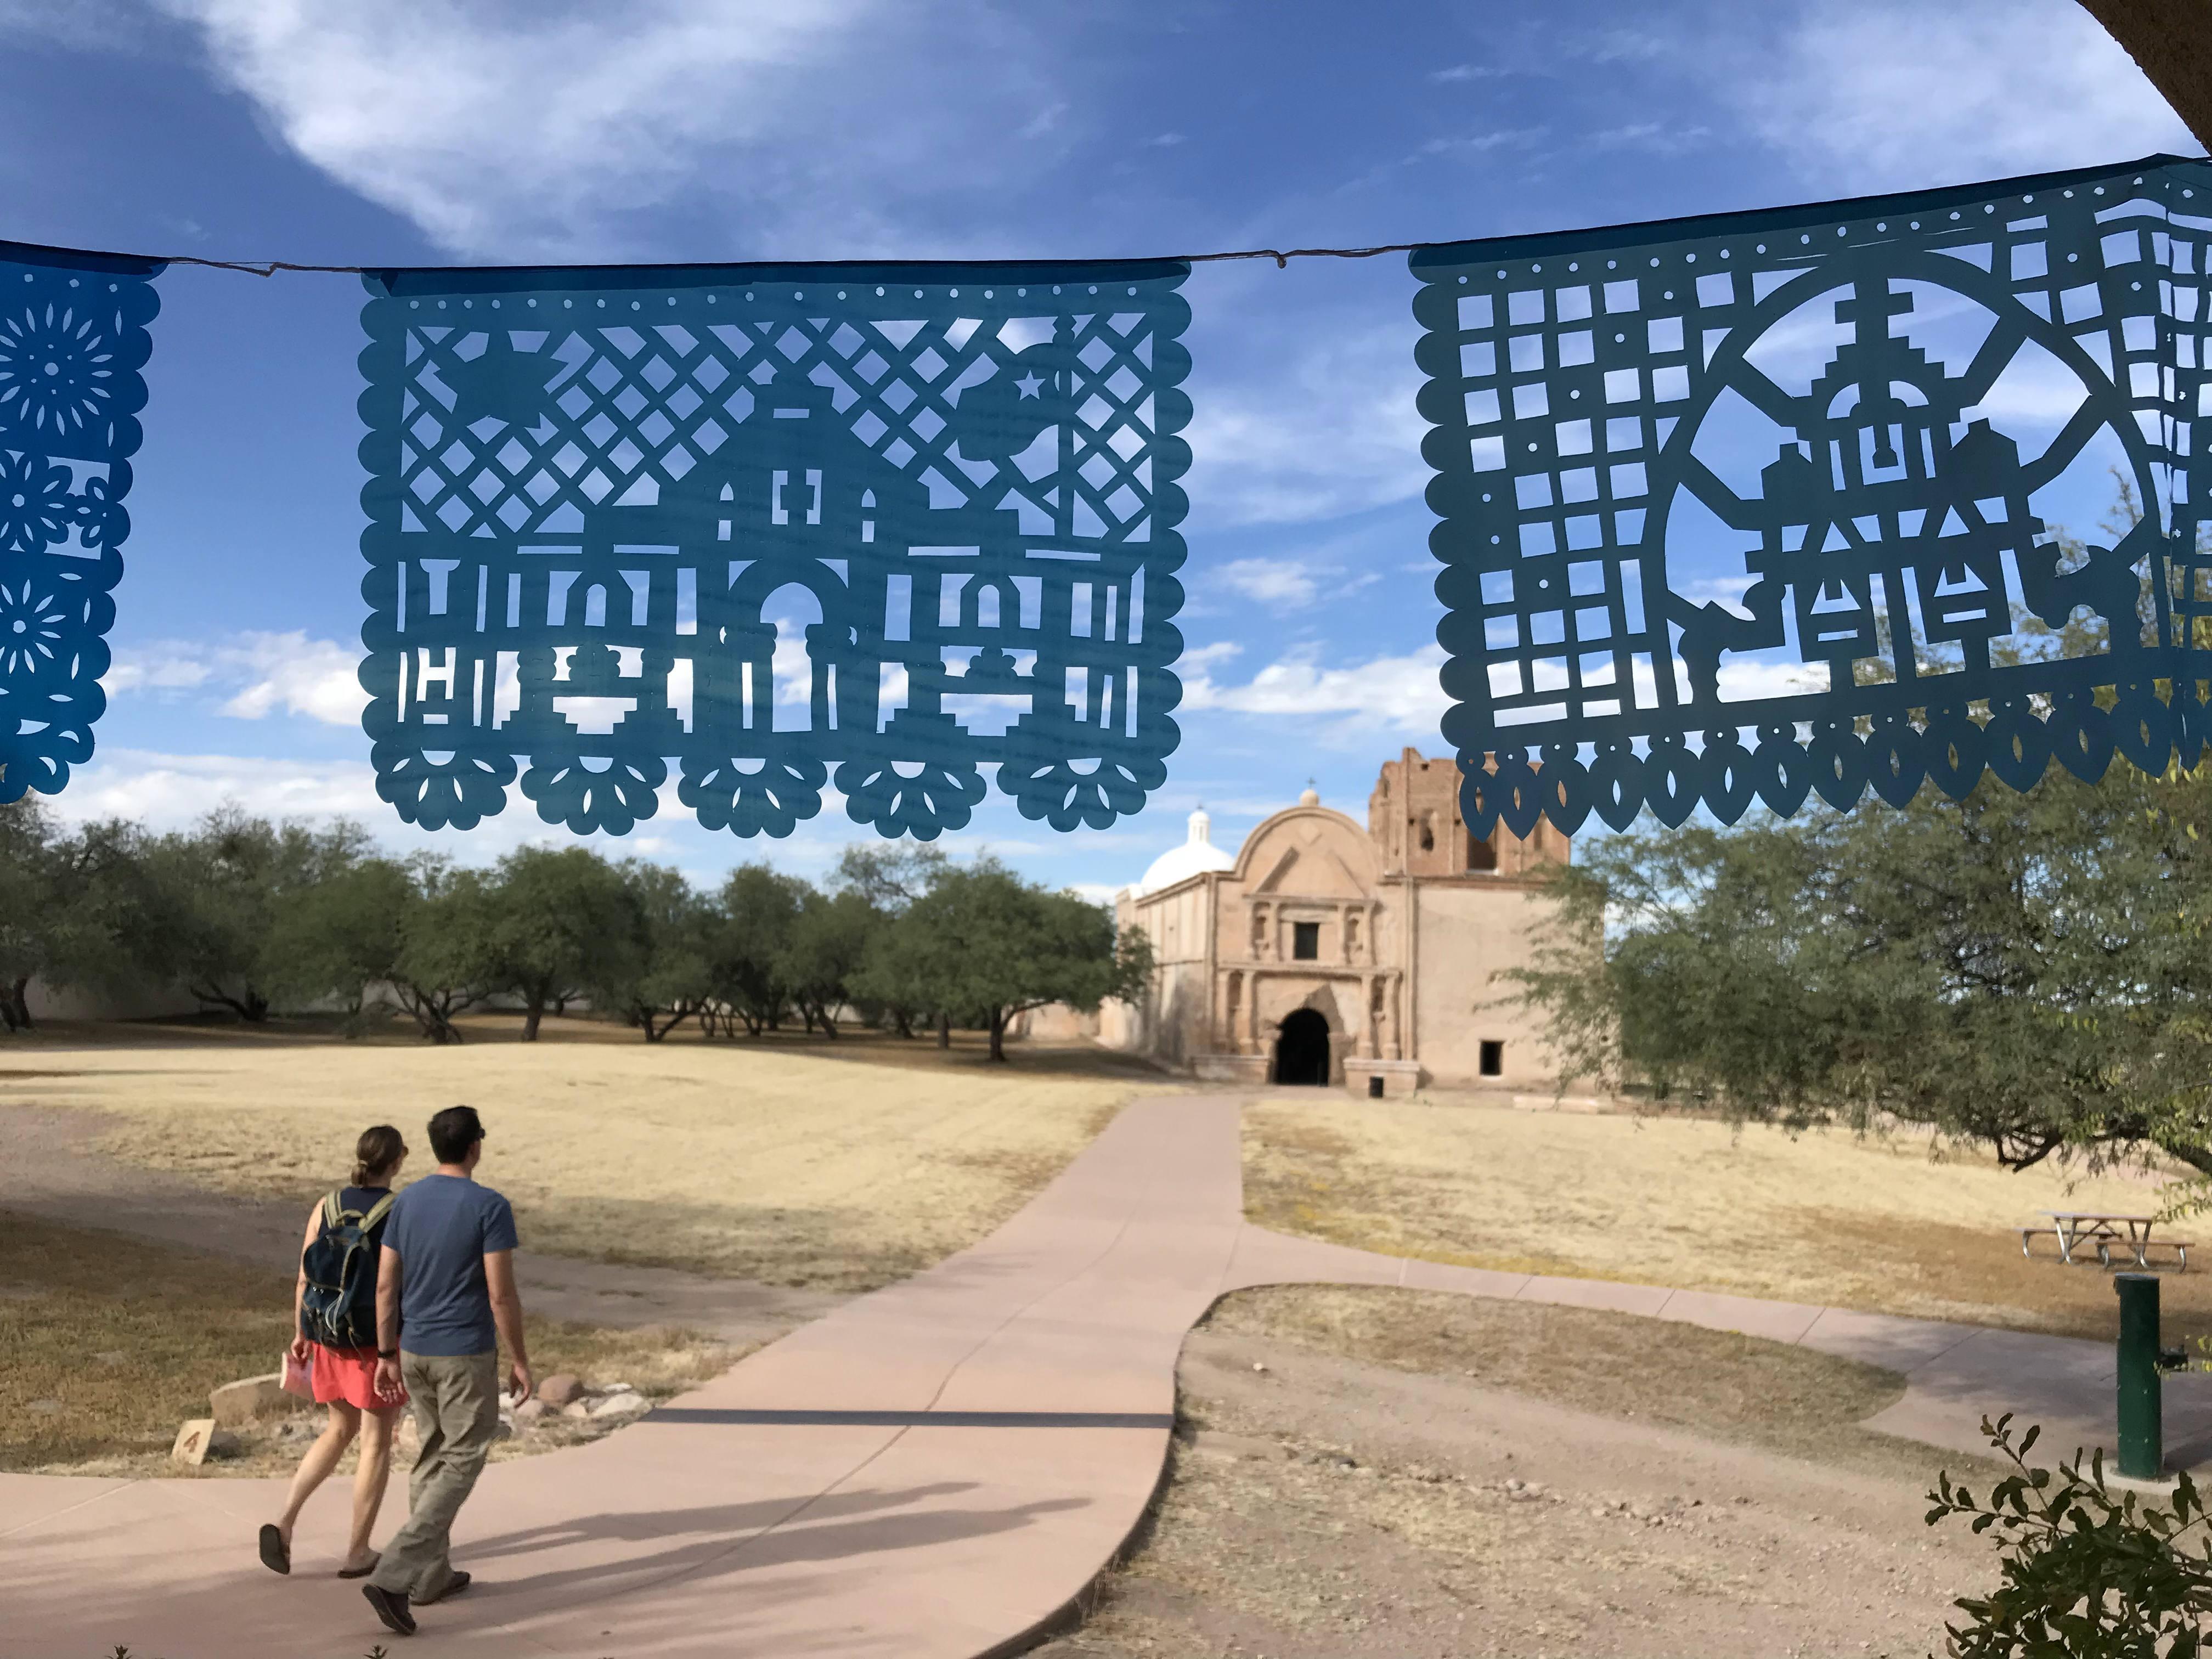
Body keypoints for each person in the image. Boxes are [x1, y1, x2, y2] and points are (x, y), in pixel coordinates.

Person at [360, 1104, 532, 1638]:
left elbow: (386, 1285)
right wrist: (521, 1359)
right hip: (463, 1354)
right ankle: (395, 1573)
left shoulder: (405, 1202)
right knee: (463, 1457)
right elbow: (500, 1293)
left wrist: (387, 1354)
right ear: (476, 1145)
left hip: (413, 1352)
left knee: (433, 1455)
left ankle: (430, 1579)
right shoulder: (489, 1206)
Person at [259, 1125, 411, 1579]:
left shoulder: (326, 1205)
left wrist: (301, 1330)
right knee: (375, 1443)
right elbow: (391, 1284)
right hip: (373, 1343)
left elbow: (305, 1274)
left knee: (337, 1429)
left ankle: (285, 1523)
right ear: (397, 1162)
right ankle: (358, 1551)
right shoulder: (397, 1211)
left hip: (327, 1333)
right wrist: (392, 1349)